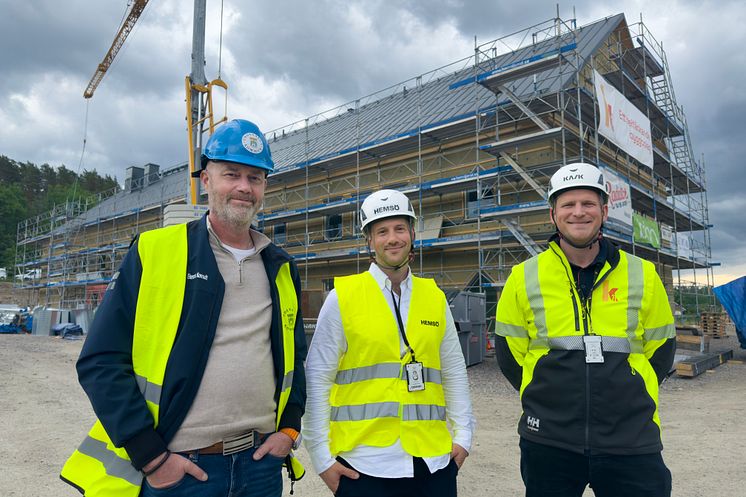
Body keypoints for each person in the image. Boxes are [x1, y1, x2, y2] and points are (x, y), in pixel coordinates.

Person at [61, 119, 307, 497]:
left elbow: (295, 359)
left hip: (260, 464)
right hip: (182, 469)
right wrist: (152, 458)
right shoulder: (154, 252)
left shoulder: (280, 266)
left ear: (264, 187)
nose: (244, 187)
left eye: (255, 178)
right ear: (205, 180)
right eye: (231, 174)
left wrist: (289, 430)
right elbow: (100, 361)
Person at [495, 162, 676, 497]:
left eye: (588, 204)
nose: (578, 212)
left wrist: (629, 391)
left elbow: (662, 349)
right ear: (553, 215)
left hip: (631, 440)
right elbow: (509, 355)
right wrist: (545, 395)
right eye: (568, 204)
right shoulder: (523, 277)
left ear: (604, 211)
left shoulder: (644, 274)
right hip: (549, 440)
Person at [303, 189, 474, 497]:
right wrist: (321, 458)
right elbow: (317, 378)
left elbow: (453, 370)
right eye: (382, 231)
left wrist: (464, 436)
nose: (392, 238)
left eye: (400, 228)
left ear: (412, 233)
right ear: (369, 240)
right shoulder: (343, 297)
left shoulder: (433, 296)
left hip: (432, 461)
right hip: (364, 464)